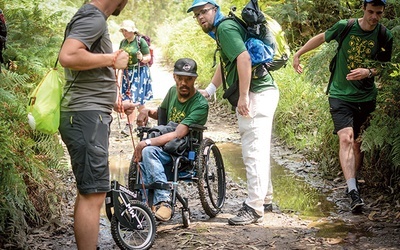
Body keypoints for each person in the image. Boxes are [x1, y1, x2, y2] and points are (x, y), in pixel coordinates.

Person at [293, 0, 393, 213]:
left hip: (366, 97)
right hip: (340, 94)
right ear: (363, 9)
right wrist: (298, 54)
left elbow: (385, 66)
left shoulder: (385, 35)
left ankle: (353, 184)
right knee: (346, 138)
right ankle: (353, 191)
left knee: (358, 143)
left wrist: (368, 71)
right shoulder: (345, 26)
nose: (374, 17)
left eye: (379, 13)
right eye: (370, 12)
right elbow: (322, 37)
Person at [187, 0, 280, 225]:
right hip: (264, 92)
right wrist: (210, 90)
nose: (200, 17)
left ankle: (254, 207)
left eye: (204, 12)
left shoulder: (225, 28)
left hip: (257, 94)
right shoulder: (224, 28)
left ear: (215, 9)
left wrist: (245, 96)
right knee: (260, 148)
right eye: (197, 14)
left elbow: (243, 58)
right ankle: (264, 198)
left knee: (253, 151)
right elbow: (228, 61)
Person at [58, 0, 134, 249]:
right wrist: (112, 59)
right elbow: (68, 56)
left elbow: (83, 71)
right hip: (86, 117)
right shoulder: (94, 17)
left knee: (88, 190)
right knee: (94, 194)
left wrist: (112, 101)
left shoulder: (91, 16)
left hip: (85, 114)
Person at [133, 58, 209, 221]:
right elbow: (161, 115)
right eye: (180, 78)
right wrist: (146, 111)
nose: (183, 83)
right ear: (174, 77)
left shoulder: (200, 104)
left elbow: (178, 134)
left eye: (188, 79)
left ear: (194, 79)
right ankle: (144, 202)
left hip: (183, 149)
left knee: (148, 150)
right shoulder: (172, 92)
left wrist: (146, 142)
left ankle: (165, 202)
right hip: (165, 143)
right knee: (143, 157)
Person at [118, 20, 153, 136]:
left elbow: (148, 57)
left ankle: (130, 125)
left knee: (135, 99)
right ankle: (145, 121)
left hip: (139, 73)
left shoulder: (140, 41)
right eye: (122, 30)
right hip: (127, 73)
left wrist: (142, 58)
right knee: (129, 98)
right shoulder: (123, 43)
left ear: (132, 31)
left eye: (126, 30)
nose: (124, 32)